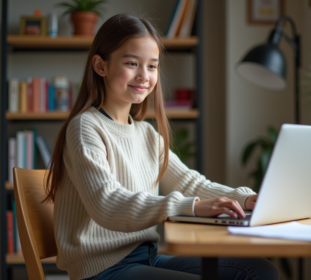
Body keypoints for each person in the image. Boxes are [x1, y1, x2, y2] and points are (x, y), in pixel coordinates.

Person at [43, 14, 279, 280]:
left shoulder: (146, 133)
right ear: (101, 66)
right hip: (102, 269)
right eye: (132, 63)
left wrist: (244, 199)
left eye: (152, 66)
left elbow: (189, 183)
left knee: (259, 270)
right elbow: (106, 204)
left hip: (147, 257)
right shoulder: (85, 127)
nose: (144, 76)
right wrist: (191, 206)